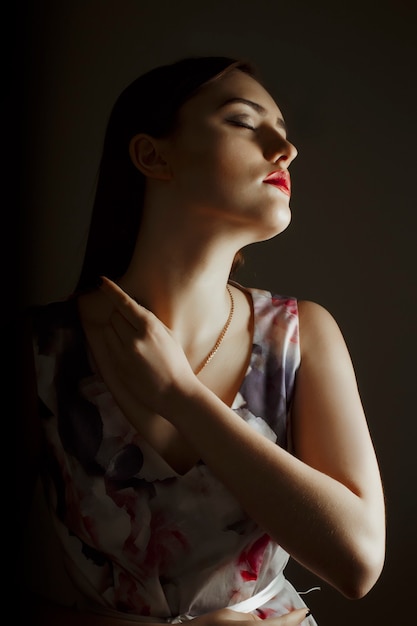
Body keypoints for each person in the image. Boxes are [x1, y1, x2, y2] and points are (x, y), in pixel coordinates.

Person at [21, 56, 386, 625]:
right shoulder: (43, 350)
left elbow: (358, 563)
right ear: (152, 155)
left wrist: (182, 398)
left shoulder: (302, 334)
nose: (285, 149)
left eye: (286, 134)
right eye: (244, 121)